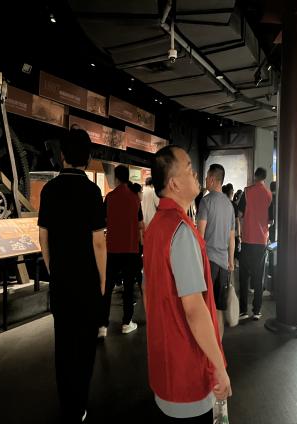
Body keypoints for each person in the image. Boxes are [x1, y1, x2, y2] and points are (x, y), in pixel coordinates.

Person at [143, 145, 231, 423]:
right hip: (188, 372)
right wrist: (219, 366)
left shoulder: (155, 227)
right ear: (174, 183)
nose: (196, 174)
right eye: (190, 167)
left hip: (165, 365)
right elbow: (193, 309)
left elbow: (148, 292)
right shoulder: (180, 231)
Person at [38, 128, 106, 423]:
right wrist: (102, 280)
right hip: (88, 281)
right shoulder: (92, 192)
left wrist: (53, 269)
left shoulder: (49, 190)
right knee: (85, 345)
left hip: (62, 281)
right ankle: (79, 405)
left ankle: (67, 404)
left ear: (62, 155)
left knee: (63, 344)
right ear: (88, 158)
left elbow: (43, 237)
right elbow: (98, 242)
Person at [99, 165, 144, 337]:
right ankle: (126, 322)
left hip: (112, 249)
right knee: (128, 288)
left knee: (107, 286)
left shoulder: (109, 197)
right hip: (131, 249)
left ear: (116, 178)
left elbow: (103, 221)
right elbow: (140, 224)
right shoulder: (134, 199)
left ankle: (102, 325)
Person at [197, 165, 235, 339]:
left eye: (206, 177)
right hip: (223, 263)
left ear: (212, 179)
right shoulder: (229, 205)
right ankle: (218, 346)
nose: (205, 180)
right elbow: (232, 238)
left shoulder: (206, 202)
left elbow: (200, 235)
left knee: (205, 307)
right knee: (219, 309)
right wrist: (231, 261)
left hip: (208, 262)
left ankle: (206, 348)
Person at [238, 167, 272, 320]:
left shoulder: (247, 192)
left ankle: (243, 311)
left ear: (255, 176)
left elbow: (239, 214)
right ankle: (257, 311)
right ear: (264, 177)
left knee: (243, 277)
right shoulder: (269, 194)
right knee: (259, 277)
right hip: (261, 241)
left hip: (247, 239)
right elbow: (270, 220)